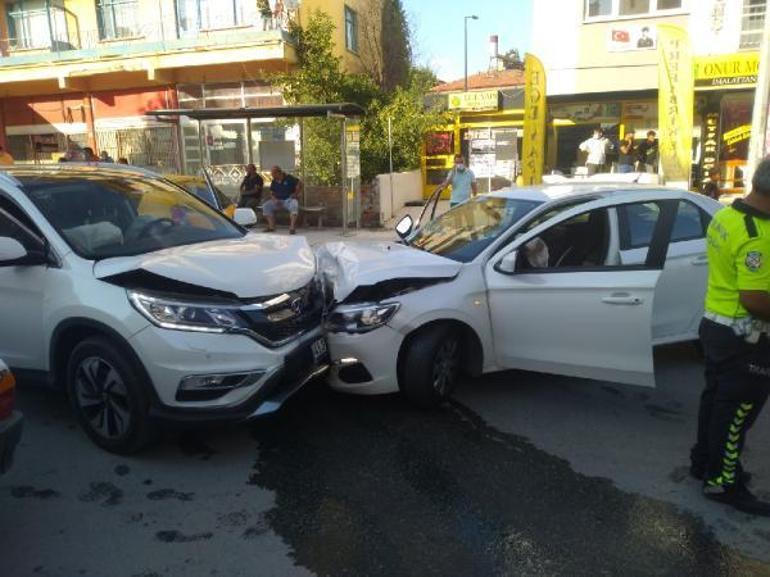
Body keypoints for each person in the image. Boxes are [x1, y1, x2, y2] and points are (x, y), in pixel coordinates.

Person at [689, 158, 770, 516]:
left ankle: (703, 463)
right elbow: (754, 299)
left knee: (716, 402)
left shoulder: (727, 215)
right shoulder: (759, 235)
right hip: (745, 337)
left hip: (716, 326)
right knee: (736, 412)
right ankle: (723, 482)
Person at [263, 165, 302, 234]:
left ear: (278, 173)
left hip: (288, 200)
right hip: (277, 201)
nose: (272, 175)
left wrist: (295, 193)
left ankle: (292, 228)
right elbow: (272, 193)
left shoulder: (289, 178)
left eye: (273, 173)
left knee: (294, 204)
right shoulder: (274, 181)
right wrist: (274, 200)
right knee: (266, 205)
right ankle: (271, 227)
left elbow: (299, 183)